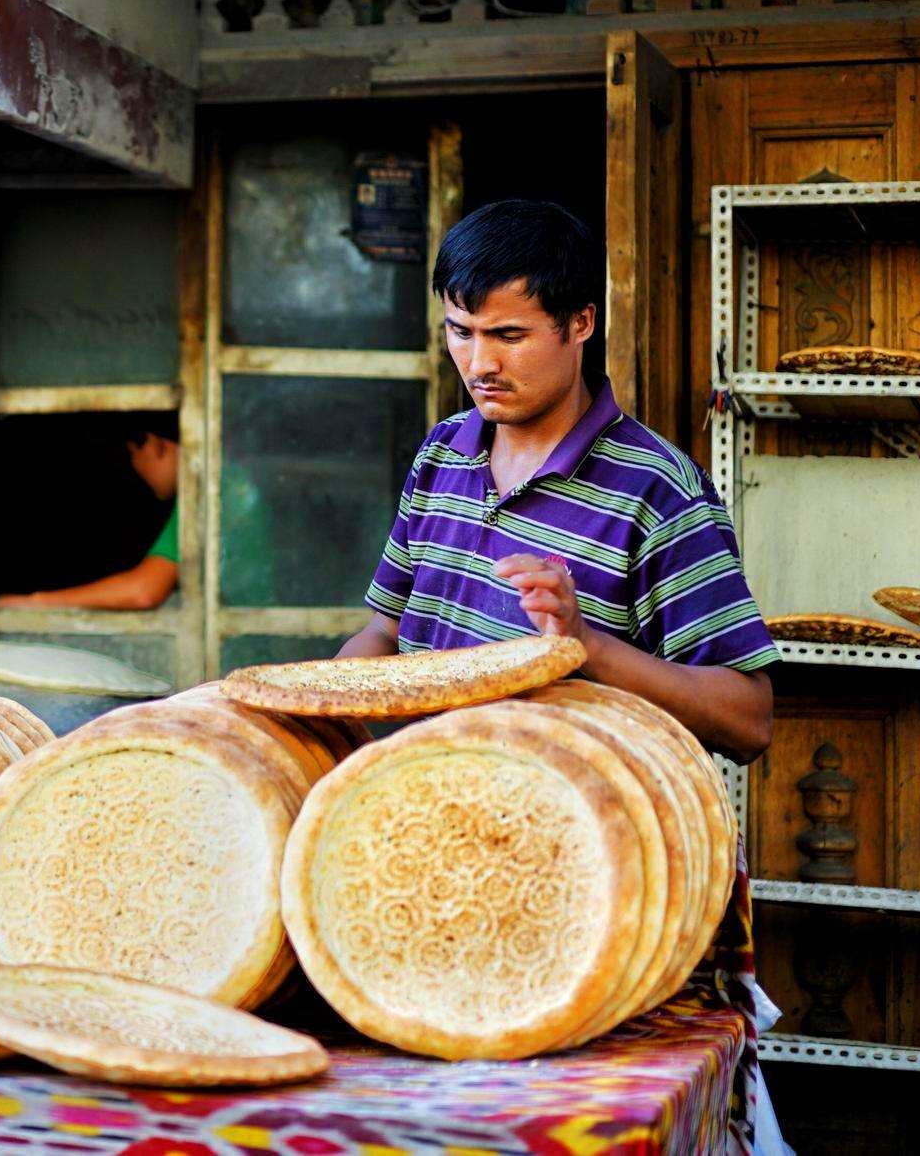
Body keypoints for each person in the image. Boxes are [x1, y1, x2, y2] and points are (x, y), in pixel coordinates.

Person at [341, 197, 785, 1154]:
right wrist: (310, 717)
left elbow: (750, 716)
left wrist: (590, 645)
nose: (479, 363)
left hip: (585, 891)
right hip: (424, 863)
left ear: (581, 322)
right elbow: (381, 632)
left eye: (509, 333)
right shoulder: (440, 454)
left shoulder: (658, 489)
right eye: (460, 332)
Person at [0, 415, 180, 610]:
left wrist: (33, 602)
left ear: (156, 445)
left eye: (133, 455)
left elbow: (144, 592)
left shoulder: (198, 502)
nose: (137, 468)